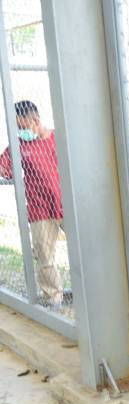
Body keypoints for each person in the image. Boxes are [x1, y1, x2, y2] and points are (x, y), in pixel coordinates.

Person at [0, 101, 65, 308]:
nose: (20, 132)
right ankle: (54, 299)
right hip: (40, 207)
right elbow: (4, 168)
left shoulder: (59, 138)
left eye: (22, 127)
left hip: (67, 204)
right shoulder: (19, 144)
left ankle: (90, 292)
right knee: (44, 256)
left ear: (35, 120)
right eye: (16, 128)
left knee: (85, 247)